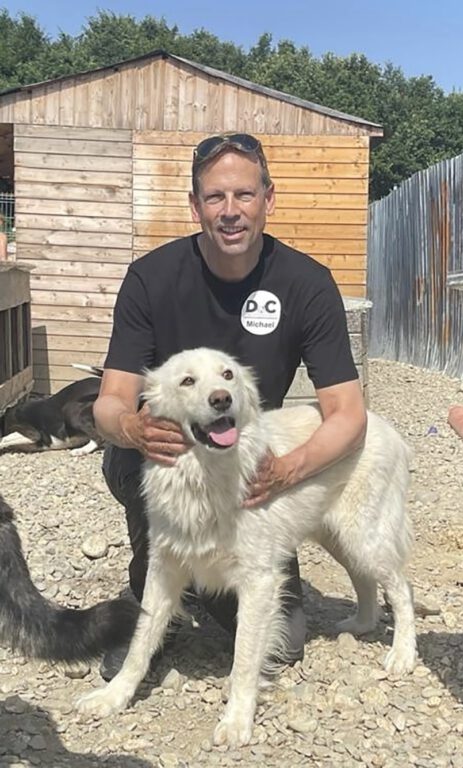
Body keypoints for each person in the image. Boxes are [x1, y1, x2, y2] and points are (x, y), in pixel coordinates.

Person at [95, 132, 368, 680]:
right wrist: (132, 427)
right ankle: (158, 593)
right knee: (129, 461)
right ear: (195, 206)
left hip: (249, 476)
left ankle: (200, 583)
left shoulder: (307, 285)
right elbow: (108, 403)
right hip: (171, 462)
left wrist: (288, 470)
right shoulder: (151, 278)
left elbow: (348, 413)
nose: (230, 212)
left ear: (268, 199)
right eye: (215, 198)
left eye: (244, 195)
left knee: (285, 644)